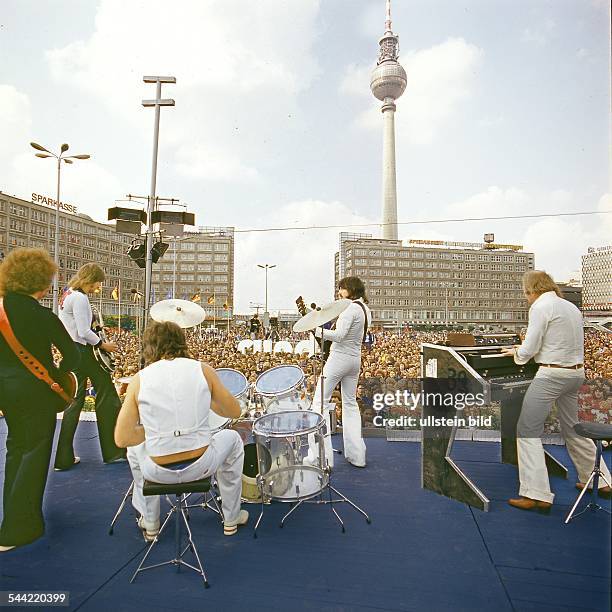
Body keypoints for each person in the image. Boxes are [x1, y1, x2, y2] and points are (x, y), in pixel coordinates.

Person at [114, 321, 248, 539]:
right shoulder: (202, 370)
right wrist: (208, 399)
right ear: (182, 343)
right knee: (232, 439)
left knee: (134, 450)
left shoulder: (141, 379)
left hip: (157, 471)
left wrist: (155, 432)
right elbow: (233, 411)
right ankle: (231, 519)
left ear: (149, 347)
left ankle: (150, 523)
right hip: (201, 466)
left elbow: (122, 437)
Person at [502, 271, 612, 511]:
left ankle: (536, 494)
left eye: (526, 293)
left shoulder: (541, 306)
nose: (526, 297)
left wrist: (517, 354)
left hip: (552, 374)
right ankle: (599, 481)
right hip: (576, 373)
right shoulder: (570, 306)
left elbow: (531, 345)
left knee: (527, 429)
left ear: (530, 290)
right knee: (575, 427)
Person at [0, 248, 80, 551]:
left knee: (16, 450)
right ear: (41, 283)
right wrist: (56, 373)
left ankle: (10, 516)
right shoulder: (42, 315)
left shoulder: (0, 310)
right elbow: (71, 355)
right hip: (37, 392)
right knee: (34, 455)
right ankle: (20, 529)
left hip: (5, 391)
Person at [54, 263, 125, 470]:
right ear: (89, 279)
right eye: (97, 283)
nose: (98, 287)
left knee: (74, 402)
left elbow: (75, 327)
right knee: (107, 397)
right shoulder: (81, 298)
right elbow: (84, 332)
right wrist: (104, 344)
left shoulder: (67, 294)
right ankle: (113, 452)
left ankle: (63, 459)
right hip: (85, 352)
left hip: (73, 353)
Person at [311, 276, 371, 468]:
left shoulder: (350, 308)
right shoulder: (365, 309)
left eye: (342, 288)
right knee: (350, 404)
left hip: (339, 359)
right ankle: (357, 456)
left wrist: (317, 330)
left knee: (319, 403)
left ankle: (320, 457)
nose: (339, 292)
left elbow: (339, 336)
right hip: (355, 360)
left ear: (351, 289)